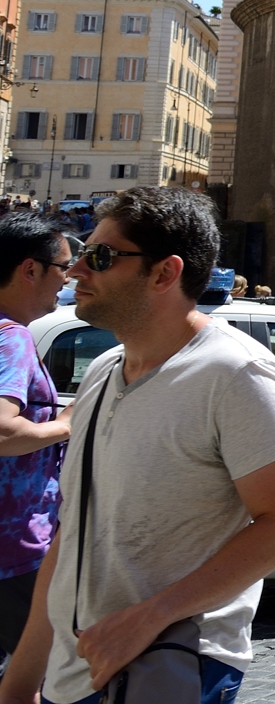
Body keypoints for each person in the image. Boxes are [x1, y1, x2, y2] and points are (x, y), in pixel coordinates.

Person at [0, 187, 275, 704]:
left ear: (164, 273)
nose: (76, 270)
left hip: (168, 667)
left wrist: (150, 618)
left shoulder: (236, 371)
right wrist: (21, 680)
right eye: (82, 254)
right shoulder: (103, 372)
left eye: (101, 257)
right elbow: (71, 534)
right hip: (75, 675)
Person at [0, 214, 69, 657]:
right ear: (30, 269)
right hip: (14, 552)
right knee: (39, 676)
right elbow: (3, 431)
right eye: (62, 266)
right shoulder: (12, 339)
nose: (70, 277)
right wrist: (66, 424)